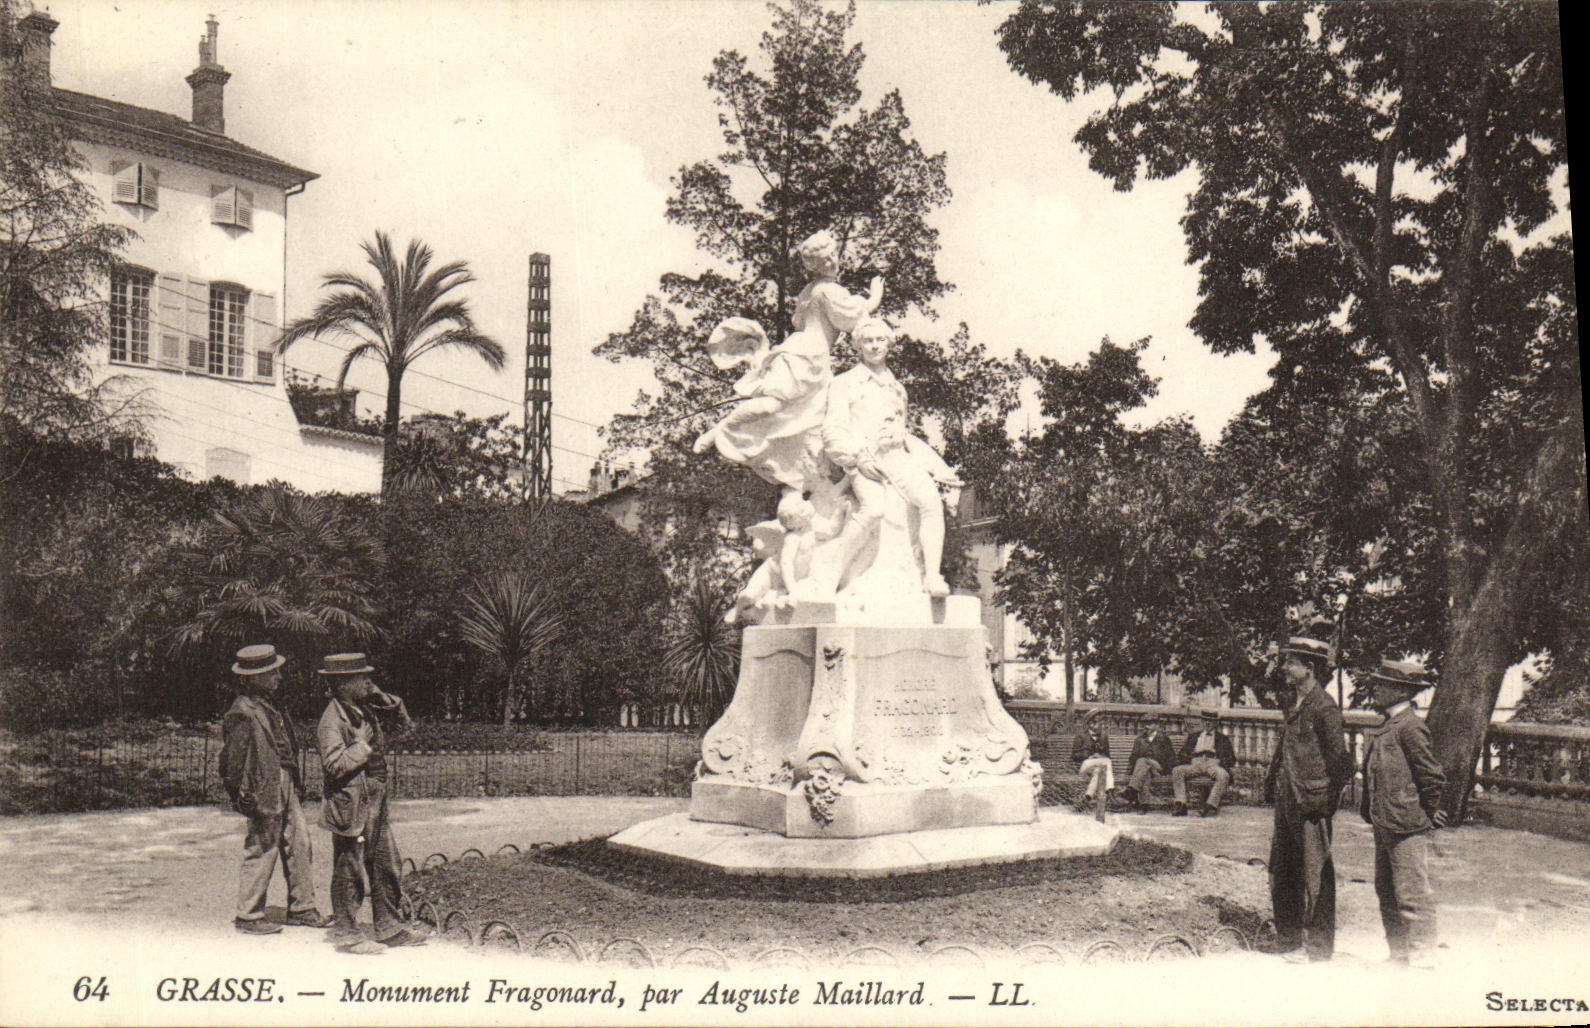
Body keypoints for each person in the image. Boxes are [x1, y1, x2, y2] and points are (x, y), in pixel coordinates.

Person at [693, 230, 883, 493]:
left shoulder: (808, 292)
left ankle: (807, 484)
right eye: (826, 260)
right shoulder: (829, 291)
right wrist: (875, 296)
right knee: (780, 407)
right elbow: (853, 317)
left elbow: (804, 322)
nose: (833, 263)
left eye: (833, 256)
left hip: (797, 350)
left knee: (806, 421)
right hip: (810, 358)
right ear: (814, 266)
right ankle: (722, 429)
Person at [822, 318, 963, 597]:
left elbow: (904, 430)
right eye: (868, 341)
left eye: (880, 340)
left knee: (931, 503)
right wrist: (856, 458)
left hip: (898, 458)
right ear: (858, 347)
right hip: (865, 460)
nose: (874, 346)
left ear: (889, 345)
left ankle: (932, 577)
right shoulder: (844, 384)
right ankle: (831, 572)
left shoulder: (898, 389)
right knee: (874, 508)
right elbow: (832, 431)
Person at [218, 644, 332, 935]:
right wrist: (242, 795)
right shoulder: (242, 711)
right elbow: (232, 762)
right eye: (272, 673)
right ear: (253, 677)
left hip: (284, 781)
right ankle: (249, 914)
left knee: (300, 841)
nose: (278, 677)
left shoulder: (270, 706)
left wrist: (293, 782)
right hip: (263, 786)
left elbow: (285, 748)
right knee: (262, 845)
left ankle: (302, 907)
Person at [316, 652, 426, 952]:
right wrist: (361, 745)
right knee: (349, 867)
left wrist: (383, 697)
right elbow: (334, 765)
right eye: (361, 677)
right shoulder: (332, 720)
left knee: (386, 863)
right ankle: (348, 934)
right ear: (342, 684)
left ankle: (389, 928)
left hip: (374, 797)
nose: (369, 681)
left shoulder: (364, 708)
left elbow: (404, 728)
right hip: (351, 803)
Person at [1266, 634, 1353, 963]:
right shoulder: (1294, 702)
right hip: (1287, 799)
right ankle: (1288, 939)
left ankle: (1318, 948)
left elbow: (1341, 763)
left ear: (1311, 668)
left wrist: (1325, 803)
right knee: (1283, 869)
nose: (1285, 667)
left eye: (1292, 662)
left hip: (1311, 804)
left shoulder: (1324, 707)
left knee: (1316, 874)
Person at [1360, 658, 1448, 969]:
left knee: (1412, 893)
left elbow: (1431, 777)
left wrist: (1427, 812)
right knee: (1386, 890)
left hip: (1405, 824)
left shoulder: (1410, 726)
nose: (1377, 690)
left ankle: (1423, 960)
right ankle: (1398, 954)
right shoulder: (1389, 725)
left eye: (1382, 685)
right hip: (1384, 821)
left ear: (1400, 691)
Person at [1171, 709, 1236, 817]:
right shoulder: (1194, 736)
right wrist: (1190, 758)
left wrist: (1220, 762)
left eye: (1210, 721)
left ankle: (1210, 806)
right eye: (1205, 720)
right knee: (1177, 771)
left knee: (1223, 775)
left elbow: (1231, 758)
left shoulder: (1222, 738)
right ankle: (1181, 804)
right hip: (1195, 763)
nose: (1207, 723)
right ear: (1202, 722)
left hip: (1213, 763)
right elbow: (1182, 753)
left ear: (1216, 723)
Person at [1120, 717, 1176, 813]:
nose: (1146, 726)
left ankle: (1132, 790)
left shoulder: (1164, 739)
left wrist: (1166, 770)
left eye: (1149, 724)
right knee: (1145, 770)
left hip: (1158, 769)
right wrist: (1140, 759)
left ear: (1156, 726)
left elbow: (1171, 757)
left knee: (1143, 762)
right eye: (1144, 724)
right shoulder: (1139, 740)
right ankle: (1143, 804)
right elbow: (1132, 758)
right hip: (1143, 769)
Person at [1070, 710, 1115, 816]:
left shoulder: (1103, 737)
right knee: (1107, 762)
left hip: (1099, 767)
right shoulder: (1081, 736)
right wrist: (1090, 756)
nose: (1101, 726)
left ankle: (1087, 797)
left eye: (1102, 724)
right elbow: (1074, 756)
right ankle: (1110, 791)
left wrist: (1101, 756)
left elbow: (1108, 756)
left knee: (1100, 770)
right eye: (1099, 723)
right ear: (1090, 724)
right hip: (1084, 766)